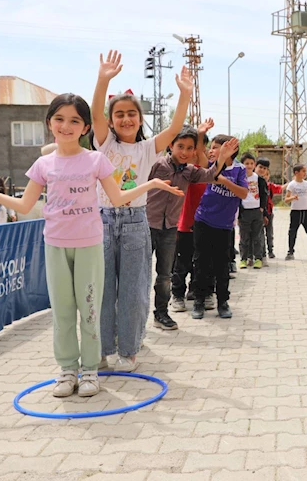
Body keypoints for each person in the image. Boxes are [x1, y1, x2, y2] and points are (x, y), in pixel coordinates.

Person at [0, 93, 183, 398]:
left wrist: (151, 185)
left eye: (75, 120)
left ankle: (90, 368)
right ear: (50, 123)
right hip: (55, 246)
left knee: (89, 309)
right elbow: (24, 205)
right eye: (59, 119)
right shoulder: (43, 164)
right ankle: (67, 370)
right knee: (62, 312)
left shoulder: (95, 159)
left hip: (89, 246)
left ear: (86, 127)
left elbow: (117, 198)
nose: (66, 125)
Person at [91, 50, 193, 372]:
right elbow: (94, 114)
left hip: (136, 222)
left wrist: (185, 95)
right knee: (104, 288)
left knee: (134, 288)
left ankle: (130, 349)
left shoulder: (148, 148)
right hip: (104, 221)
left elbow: (176, 125)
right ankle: (104, 348)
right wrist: (103, 78)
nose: (125, 119)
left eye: (131, 114)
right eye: (118, 114)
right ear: (110, 120)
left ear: (140, 118)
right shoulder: (105, 143)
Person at [147, 121, 224, 331]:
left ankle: (161, 314)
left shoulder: (189, 172)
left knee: (165, 274)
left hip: (170, 229)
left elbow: (210, 176)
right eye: (181, 146)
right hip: (146, 226)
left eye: (190, 148)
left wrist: (222, 158)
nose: (185, 152)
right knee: (140, 275)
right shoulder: (157, 165)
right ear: (171, 144)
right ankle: (134, 319)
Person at [192, 135, 248, 320]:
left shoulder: (240, 169)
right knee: (201, 264)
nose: (211, 150)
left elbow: (243, 193)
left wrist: (224, 181)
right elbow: (198, 151)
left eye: (216, 147)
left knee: (222, 266)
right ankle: (199, 301)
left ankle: (223, 303)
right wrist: (201, 133)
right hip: (203, 221)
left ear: (231, 150)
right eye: (212, 147)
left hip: (225, 226)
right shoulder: (211, 165)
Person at [170, 130, 214, 312]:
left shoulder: (204, 170)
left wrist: (202, 134)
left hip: (204, 224)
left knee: (203, 263)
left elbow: (203, 161)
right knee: (181, 264)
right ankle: (177, 295)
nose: (193, 152)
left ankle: (199, 292)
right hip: (183, 223)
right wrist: (200, 133)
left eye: (196, 147)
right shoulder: (185, 170)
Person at [284, 164, 307, 260]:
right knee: (292, 232)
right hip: (295, 211)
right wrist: (293, 197)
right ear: (296, 173)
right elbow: (286, 199)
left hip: (306, 211)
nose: (305, 173)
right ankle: (290, 252)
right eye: (303, 171)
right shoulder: (292, 185)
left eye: (305, 171)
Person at [238, 152, 268, 269]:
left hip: (256, 211)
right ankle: (244, 259)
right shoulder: (240, 178)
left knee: (257, 237)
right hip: (244, 211)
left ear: (254, 165)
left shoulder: (259, 179)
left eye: (251, 163)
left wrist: (261, 208)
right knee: (244, 237)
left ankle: (258, 259)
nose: (249, 166)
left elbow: (264, 194)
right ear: (242, 165)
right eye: (246, 163)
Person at [255, 158, 280, 260]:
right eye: (260, 167)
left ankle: (269, 251)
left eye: (264, 168)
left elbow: (264, 199)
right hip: (254, 212)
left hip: (266, 212)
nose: (262, 170)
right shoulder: (250, 179)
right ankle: (259, 254)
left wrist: (265, 213)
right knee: (257, 234)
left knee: (268, 233)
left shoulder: (265, 183)